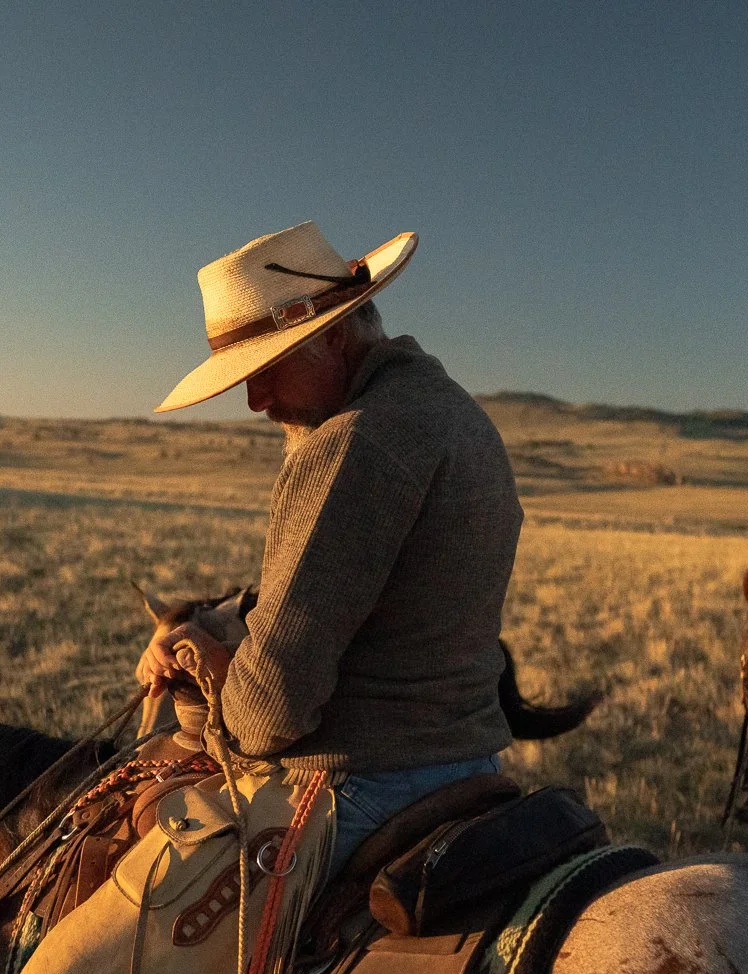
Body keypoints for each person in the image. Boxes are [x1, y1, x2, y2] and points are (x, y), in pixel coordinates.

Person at [142, 221, 523, 876]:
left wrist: (213, 680)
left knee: (138, 904)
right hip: (469, 765)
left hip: (363, 784)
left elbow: (270, 711)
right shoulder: (456, 413)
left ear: (334, 336)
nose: (256, 401)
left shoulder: (353, 441)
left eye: (268, 369)